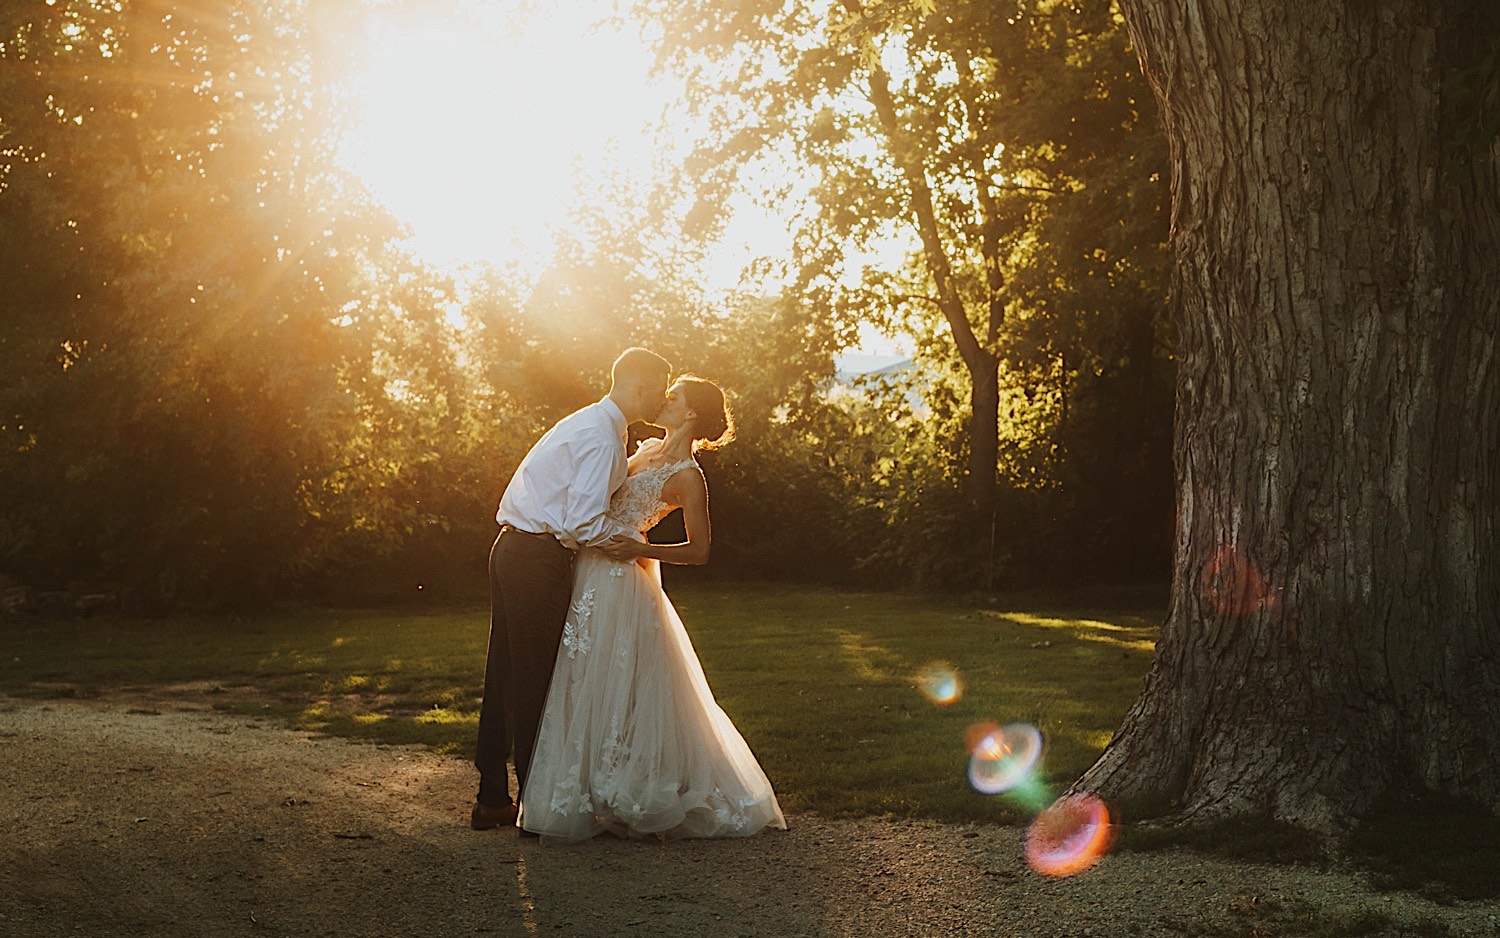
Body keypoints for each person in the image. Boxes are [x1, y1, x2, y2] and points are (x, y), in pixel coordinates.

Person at [518, 376, 787, 840]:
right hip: (588, 569)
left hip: (623, 576)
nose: (663, 401)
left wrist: (640, 550)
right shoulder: (641, 452)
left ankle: (628, 791)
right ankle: (588, 790)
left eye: (674, 397)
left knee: (619, 681)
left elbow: (700, 551)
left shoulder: (686, 476)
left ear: (690, 414)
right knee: (584, 676)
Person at [471, 347, 672, 832]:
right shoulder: (602, 437)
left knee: (504, 673)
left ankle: (492, 798)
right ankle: (535, 804)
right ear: (640, 386)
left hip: (512, 548)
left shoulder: (594, 425)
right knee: (539, 677)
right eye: (660, 388)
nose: (663, 398)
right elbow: (583, 521)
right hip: (538, 559)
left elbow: (581, 497)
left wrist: (631, 469)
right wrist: (629, 544)